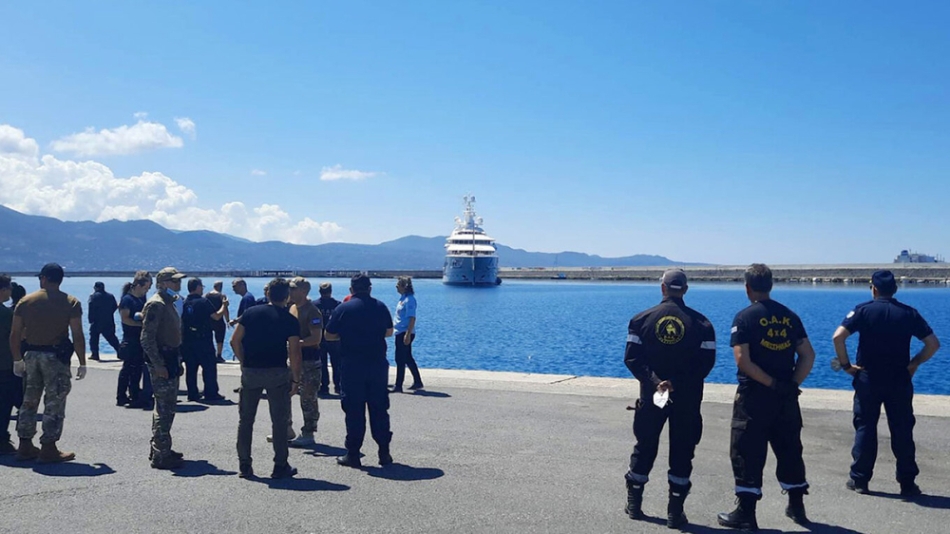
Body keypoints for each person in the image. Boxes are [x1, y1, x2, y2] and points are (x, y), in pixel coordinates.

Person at [718, 264, 816, 531]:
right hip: (785, 398)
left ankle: (746, 513)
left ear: (747, 287)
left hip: (754, 398)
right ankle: (797, 506)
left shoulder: (744, 318)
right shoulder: (790, 316)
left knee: (747, 452)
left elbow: (743, 360)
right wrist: (791, 385)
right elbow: (808, 355)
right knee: (790, 449)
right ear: (771, 285)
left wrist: (771, 384)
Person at [832, 270, 940, 498]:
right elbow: (933, 344)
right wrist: (914, 363)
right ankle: (907, 482)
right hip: (899, 378)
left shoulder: (863, 310)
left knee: (865, 427)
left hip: (868, 378)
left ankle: (860, 479)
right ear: (895, 289)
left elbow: (838, 337)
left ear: (873, 289)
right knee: (902, 429)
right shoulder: (909, 313)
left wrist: (846, 365)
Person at [623, 269, 716, 528]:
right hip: (686, 397)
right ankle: (675, 512)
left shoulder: (641, 320)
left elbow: (632, 359)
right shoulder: (702, 324)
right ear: (685, 289)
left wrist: (657, 383)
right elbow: (705, 364)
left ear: (662, 287)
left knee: (645, 445)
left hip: (655, 396)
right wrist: (675, 383)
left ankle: (634, 504)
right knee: (683, 449)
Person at [10, 263, 87, 463]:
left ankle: (25, 444)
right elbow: (77, 335)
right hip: (55, 358)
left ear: (44, 278)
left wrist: (17, 358)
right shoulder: (70, 302)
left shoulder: (26, 301)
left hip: (31, 355)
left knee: (29, 400)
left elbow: (15, 334)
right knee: (54, 402)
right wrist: (82, 362)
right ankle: (49, 447)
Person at [230, 278, 302, 479]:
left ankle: (245, 465)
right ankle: (280, 465)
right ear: (287, 297)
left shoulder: (250, 313)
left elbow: (234, 341)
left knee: (246, 420)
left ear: (268, 293)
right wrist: (296, 379)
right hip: (277, 372)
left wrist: (243, 361)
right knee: (279, 421)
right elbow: (295, 353)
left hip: (252, 371)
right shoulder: (290, 319)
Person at [325, 274, 394, 468]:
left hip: (352, 365)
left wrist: (345, 335)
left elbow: (329, 334)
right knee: (379, 408)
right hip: (377, 365)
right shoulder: (380, 307)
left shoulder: (343, 309)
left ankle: (353, 454)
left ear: (351, 290)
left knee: (354, 410)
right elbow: (389, 332)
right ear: (370, 289)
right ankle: (384, 452)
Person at [142, 267, 187, 470]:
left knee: (168, 407)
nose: (178, 284)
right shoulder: (156, 304)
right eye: (174, 281)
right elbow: (147, 338)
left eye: (178, 281)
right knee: (164, 408)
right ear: (162, 283)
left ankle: (162, 446)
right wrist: (158, 364)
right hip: (162, 359)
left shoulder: (170, 303)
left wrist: (177, 360)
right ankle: (161, 453)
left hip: (171, 357)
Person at [287, 277, 323, 447]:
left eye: (293, 289)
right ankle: (286, 428)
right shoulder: (292, 307)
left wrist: (296, 343)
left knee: (308, 398)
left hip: (309, 361)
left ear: (303, 291)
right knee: (284, 393)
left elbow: (316, 338)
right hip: (292, 359)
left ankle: (308, 432)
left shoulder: (312, 311)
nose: (290, 292)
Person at [181, 278, 228, 401]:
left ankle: (192, 393)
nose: (202, 289)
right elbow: (216, 316)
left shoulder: (184, 302)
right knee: (209, 367)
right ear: (197, 287)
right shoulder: (203, 302)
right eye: (201, 286)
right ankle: (211, 393)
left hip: (188, 339)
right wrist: (224, 306)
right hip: (203, 339)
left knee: (191, 368)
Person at [116, 272, 154, 408]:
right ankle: (121, 396)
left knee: (137, 368)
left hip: (140, 339)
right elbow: (125, 319)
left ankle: (135, 392)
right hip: (130, 339)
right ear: (138, 286)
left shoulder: (142, 299)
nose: (147, 291)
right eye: (145, 288)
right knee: (128, 369)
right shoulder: (127, 300)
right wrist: (141, 324)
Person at [0, 274, 22, 454]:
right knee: (5, 403)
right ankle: (2, 440)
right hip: (4, 364)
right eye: (8, 288)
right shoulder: (6, 314)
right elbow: (19, 335)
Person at [391, 276, 422, 392]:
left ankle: (398, 385)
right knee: (407, 357)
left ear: (404, 286)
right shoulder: (403, 299)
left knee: (400, 358)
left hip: (405, 332)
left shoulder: (409, 300)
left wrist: (408, 334)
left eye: (398, 284)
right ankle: (418, 381)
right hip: (399, 331)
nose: (396, 286)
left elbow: (412, 318)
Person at [314, 282, 342, 395]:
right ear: (331, 291)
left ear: (320, 291)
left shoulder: (314, 305)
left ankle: (324, 386)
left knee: (322, 363)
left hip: (320, 338)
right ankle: (338, 386)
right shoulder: (338, 305)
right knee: (337, 363)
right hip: (334, 338)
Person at [87, 281, 120, 361]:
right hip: (108, 320)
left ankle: (95, 354)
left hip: (96, 321)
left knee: (94, 338)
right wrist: (109, 313)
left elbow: (91, 308)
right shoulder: (110, 296)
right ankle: (121, 352)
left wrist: (90, 319)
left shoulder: (93, 296)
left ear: (96, 288)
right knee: (112, 338)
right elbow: (115, 306)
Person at [204, 281, 230, 363]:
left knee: (208, 338)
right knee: (220, 338)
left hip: (209, 320)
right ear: (220, 286)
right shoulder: (222, 296)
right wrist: (227, 320)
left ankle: (208, 354)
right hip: (219, 320)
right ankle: (219, 355)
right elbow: (225, 309)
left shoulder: (206, 295)